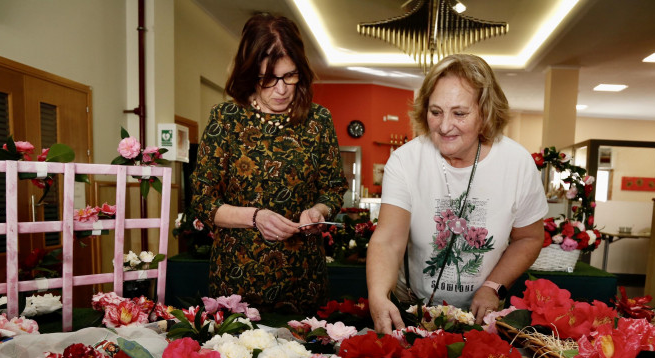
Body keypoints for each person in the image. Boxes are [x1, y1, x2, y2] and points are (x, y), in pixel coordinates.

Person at [367, 54, 547, 333]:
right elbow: (389, 239)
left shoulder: (517, 163)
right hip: (415, 307)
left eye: (459, 113)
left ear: (485, 113)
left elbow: (530, 237)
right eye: (435, 112)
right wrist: (378, 295)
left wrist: (492, 286)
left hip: (482, 316)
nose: (444, 126)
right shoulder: (405, 161)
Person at [188, 13, 348, 314]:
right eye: (268, 79)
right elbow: (203, 201)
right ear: (250, 73)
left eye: (290, 75)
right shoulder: (226, 118)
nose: (282, 89)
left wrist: (319, 211)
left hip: (304, 282)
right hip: (237, 282)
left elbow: (332, 189)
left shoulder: (319, 120)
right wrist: (254, 217)